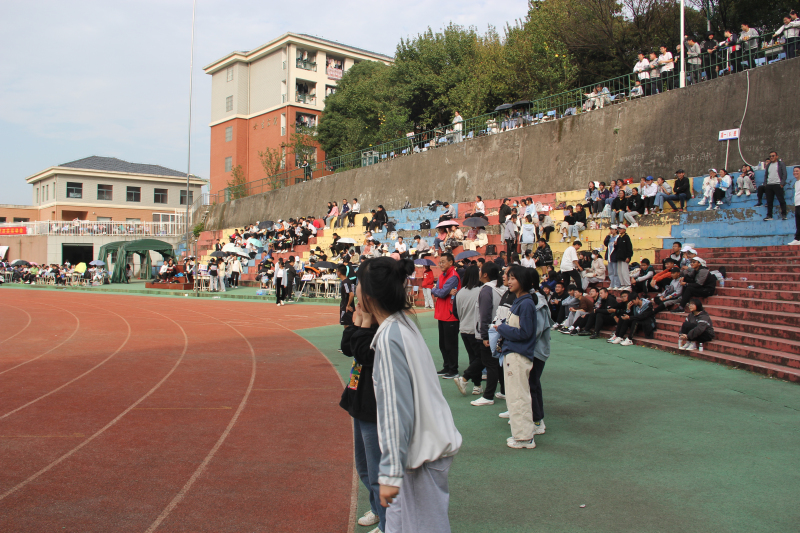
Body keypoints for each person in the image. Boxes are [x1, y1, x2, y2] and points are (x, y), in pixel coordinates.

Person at [355, 257, 462, 533]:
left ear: (368, 295)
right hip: (423, 452)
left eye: (358, 285)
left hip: (418, 459)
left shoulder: (389, 336)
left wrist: (391, 471)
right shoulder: (402, 323)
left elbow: (396, 409)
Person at [339, 298, 384, 533]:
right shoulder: (364, 326)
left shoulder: (382, 330)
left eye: (362, 299)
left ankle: (387, 523)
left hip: (372, 405)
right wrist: (357, 321)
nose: (358, 304)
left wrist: (364, 324)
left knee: (376, 469)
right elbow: (347, 348)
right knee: (364, 465)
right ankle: (377, 508)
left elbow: (365, 355)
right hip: (359, 401)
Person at [495, 265, 540, 449]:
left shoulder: (526, 304)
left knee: (519, 396)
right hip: (513, 353)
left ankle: (524, 437)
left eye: (513, 278)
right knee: (515, 395)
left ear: (522, 281)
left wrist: (502, 328)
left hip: (518, 354)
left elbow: (525, 333)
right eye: (509, 277)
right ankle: (522, 434)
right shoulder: (519, 301)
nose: (509, 281)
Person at [471, 262, 506, 406]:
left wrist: (484, 335)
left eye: (480, 270)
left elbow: (484, 314)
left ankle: (488, 396)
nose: (479, 272)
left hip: (490, 332)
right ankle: (504, 391)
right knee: (500, 363)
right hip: (501, 329)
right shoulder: (503, 288)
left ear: (485, 274)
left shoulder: (486, 290)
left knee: (490, 364)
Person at [453, 266, 485, 397]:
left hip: (464, 328)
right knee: (482, 358)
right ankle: (465, 378)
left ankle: (477, 385)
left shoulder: (460, 292)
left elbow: (455, 312)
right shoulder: (481, 291)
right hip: (475, 330)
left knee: (474, 357)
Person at [431, 253, 461, 379]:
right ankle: (447, 366)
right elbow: (438, 290)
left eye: (443, 262)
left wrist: (437, 290)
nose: (440, 264)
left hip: (450, 314)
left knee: (450, 344)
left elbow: (441, 292)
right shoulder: (442, 275)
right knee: (443, 344)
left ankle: (453, 369)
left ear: (451, 262)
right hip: (442, 314)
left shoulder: (453, 276)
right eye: (440, 262)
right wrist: (438, 291)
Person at [763, 150, 788, 221]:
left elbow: (784, 174)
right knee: (769, 201)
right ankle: (769, 215)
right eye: (770, 156)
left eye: (773, 156)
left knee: (781, 200)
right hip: (769, 185)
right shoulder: (768, 165)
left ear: (777, 156)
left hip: (777, 184)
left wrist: (782, 183)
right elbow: (766, 175)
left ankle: (784, 214)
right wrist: (765, 184)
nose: (771, 157)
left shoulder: (781, 164)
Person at [612, 226, 633, 290]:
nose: (619, 230)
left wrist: (628, 256)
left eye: (621, 229)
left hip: (624, 257)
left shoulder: (626, 237)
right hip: (619, 257)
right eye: (619, 229)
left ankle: (628, 284)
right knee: (620, 272)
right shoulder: (619, 237)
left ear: (624, 230)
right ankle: (623, 284)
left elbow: (629, 248)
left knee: (624, 271)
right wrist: (615, 245)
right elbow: (617, 248)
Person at [790, 167, 800, 246]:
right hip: (797, 204)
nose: (795, 172)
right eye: (794, 171)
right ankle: (797, 239)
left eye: (797, 171)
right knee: (798, 222)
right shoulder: (796, 182)